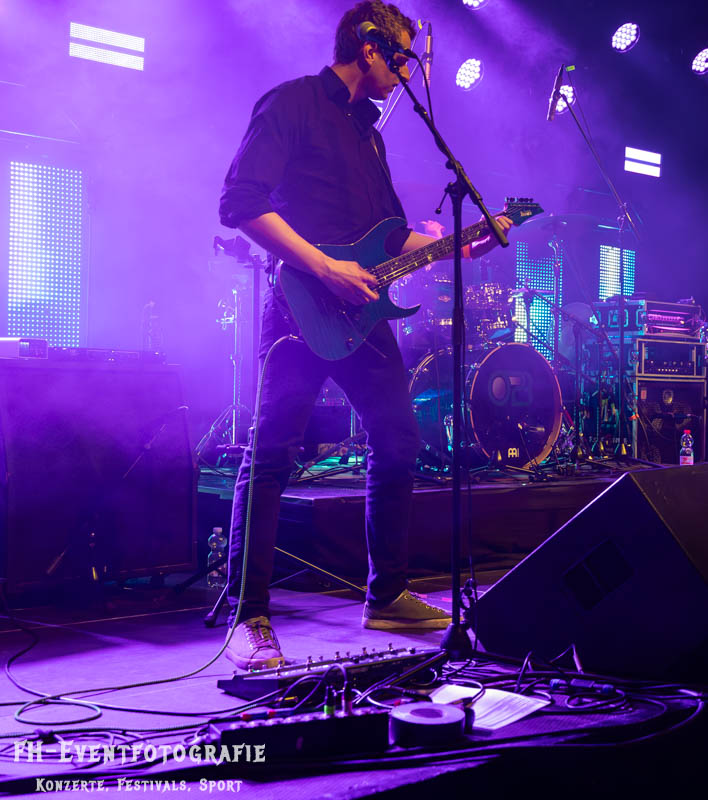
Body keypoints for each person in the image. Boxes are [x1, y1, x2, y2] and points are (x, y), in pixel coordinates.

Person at [217, 0, 512, 669]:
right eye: (402, 57)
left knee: (399, 439)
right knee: (272, 452)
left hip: (362, 312)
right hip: (300, 304)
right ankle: (248, 616)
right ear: (368, 47)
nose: (407, 72)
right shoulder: (292, 103)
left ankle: (387, 595)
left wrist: (463, 242)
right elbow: (239, 203)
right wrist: (324, 267)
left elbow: (391, 236)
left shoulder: (369, 135)